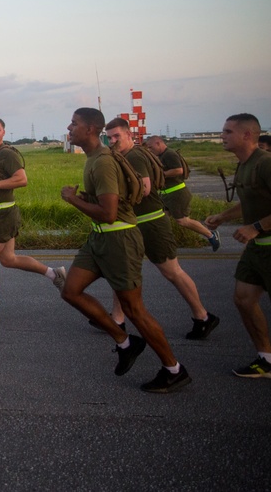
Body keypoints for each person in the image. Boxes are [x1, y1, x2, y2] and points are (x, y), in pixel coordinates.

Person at [60, 108, 190, 392]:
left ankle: (173, 369)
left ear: (92, 129)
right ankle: (125, 342)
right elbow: (106, 205)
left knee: (134, 309)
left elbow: (108, 214)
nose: (69, 128)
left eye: (75, 124)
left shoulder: (103, 162)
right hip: (99, 239)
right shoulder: (94, 158)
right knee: (70, 291)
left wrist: (72, 200)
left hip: (119, 239)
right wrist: (86, 198)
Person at [102, 119, 219, 339]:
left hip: (151, 222)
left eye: (117, 135)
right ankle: (117, 319)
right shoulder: (125, 156)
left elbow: (144, 189)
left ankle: (203, 316)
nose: (113, 140)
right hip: (136, 223)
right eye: (110, 137)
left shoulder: (134, 156)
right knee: (124, 272)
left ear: (130, 135)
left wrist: (111, 198)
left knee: (172, 271)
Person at [0, 117, 67, 315]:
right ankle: (54, 274)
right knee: (9, 259)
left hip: (2, 214)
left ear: (4, 132)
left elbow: (22, 179)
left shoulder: (7, 154)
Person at [204, 113, 271, 378]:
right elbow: (250, 201)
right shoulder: (243, 165)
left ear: (247, 135)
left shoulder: (265, 163)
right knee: (243, 300)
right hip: (257, 248)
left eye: (228, 132)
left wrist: (255, 227)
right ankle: (265, 359)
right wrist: (223, 217)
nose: (222, 136)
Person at [145, 135, 220, 251]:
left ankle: (211, 235)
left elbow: (179, 170)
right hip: (166, 195)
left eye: (151, 147)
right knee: (161, 220)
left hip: (177, 194)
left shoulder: (169, 154)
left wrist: (161, 175)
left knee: (183, 221)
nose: (150, 150)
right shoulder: (161, 156)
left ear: (158, 143)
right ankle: (164, 244)